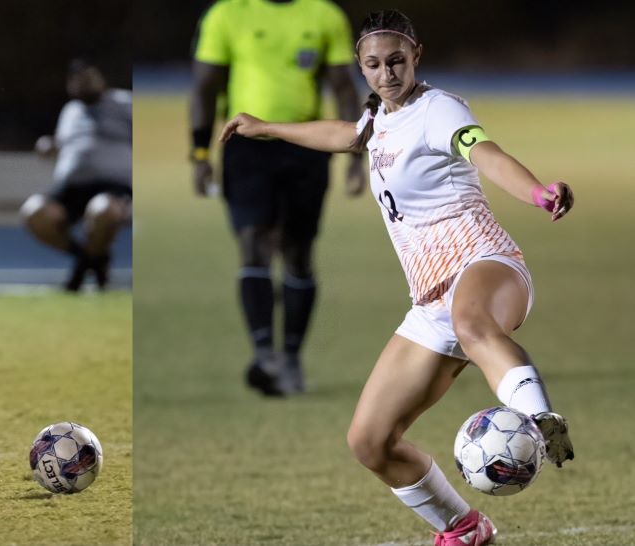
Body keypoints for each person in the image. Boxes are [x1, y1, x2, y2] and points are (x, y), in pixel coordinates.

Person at [221, 10, 575, 545]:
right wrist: (265, 127)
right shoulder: (378, 118)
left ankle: (539, 417)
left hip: (485, 263)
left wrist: (537, 192)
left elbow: (486, 153)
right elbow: (345, 134)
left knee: (472, 320)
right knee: (370, 441)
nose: (387, 73)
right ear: (361, 68)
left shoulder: (439, 109)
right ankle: (464, 528)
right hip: (431, 302)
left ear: (416, 56)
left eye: (396, 61)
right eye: (374, 65)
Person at [190, 0, 368, 396]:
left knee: (298, 250)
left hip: (307, 145)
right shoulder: (227, 14)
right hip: (246, 146)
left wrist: (358, 155)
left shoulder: (323, 15)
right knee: (253, 243)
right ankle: (264, 355)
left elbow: (342, 86)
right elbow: (206, 86)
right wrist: (200, 153)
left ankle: (291, 356)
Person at [19, 59, 131, 292]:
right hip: (71, 188)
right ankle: (89, 260)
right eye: (78, 81)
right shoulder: (71, 111)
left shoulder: (123, 103)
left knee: (102, 210)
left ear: (101, 78)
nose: (85, 84)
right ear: (71, 86)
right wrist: (50, 146)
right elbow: (63, 142)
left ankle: (81, 271)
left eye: (89, 78)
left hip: (112, 186)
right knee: (34, 213)